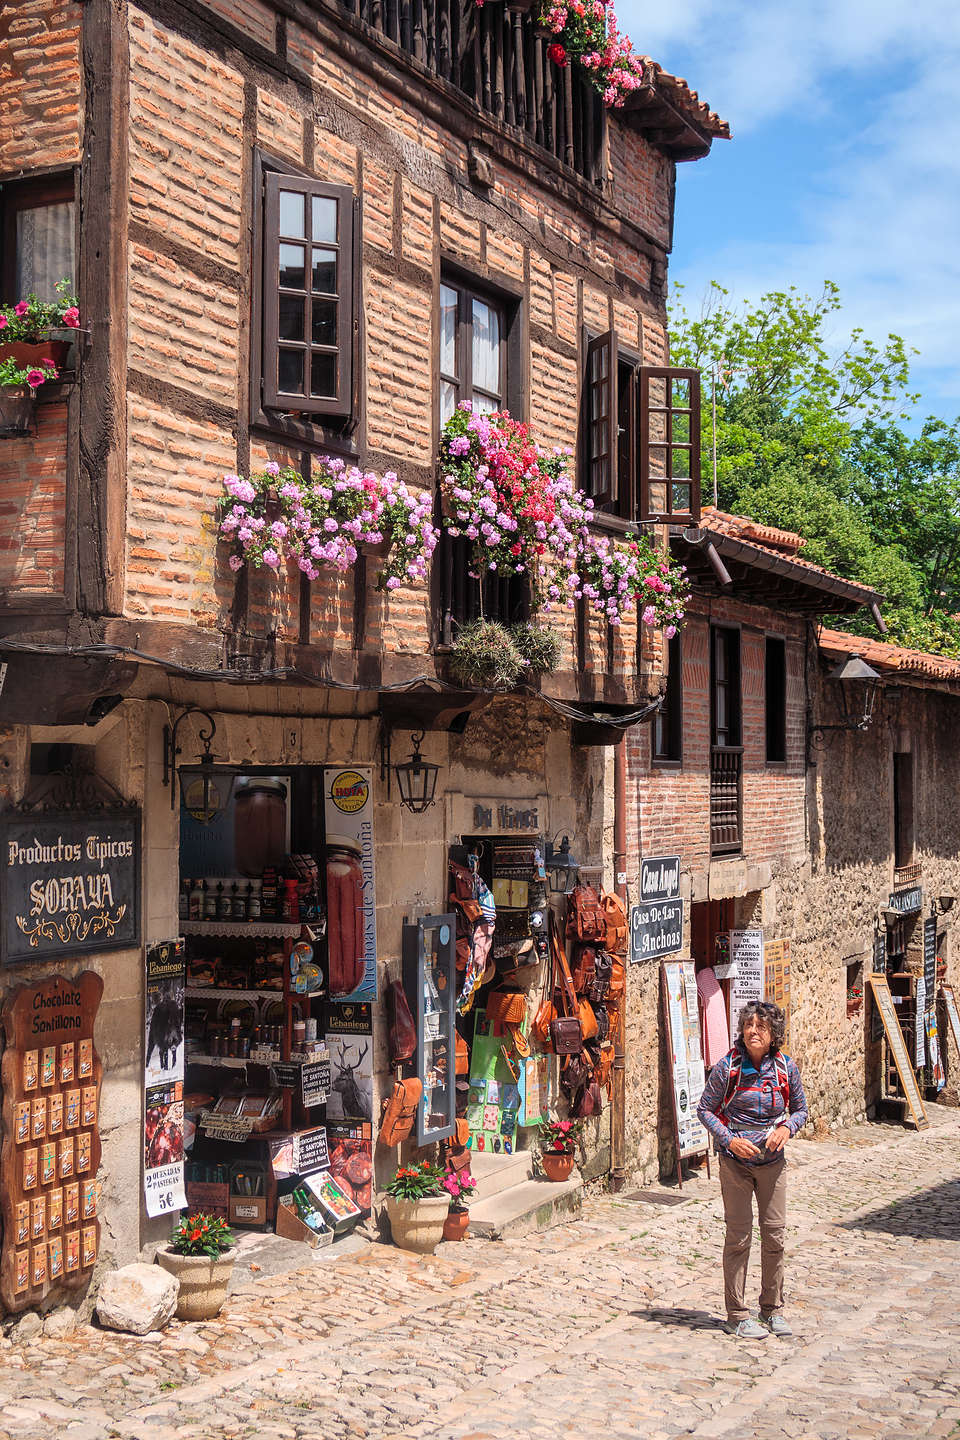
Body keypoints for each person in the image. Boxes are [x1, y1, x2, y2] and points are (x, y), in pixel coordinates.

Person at [696, 1000, 807, 1340]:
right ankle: (737, 1314)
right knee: (739, 1237)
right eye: (748, 1026)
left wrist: (787, 1129)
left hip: (773, 1165)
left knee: (775, 1236)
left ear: (774, 1034)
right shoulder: (727, 1067)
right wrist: (729, 1141)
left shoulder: (785, 1068)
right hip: (736, 1166)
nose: (753, 1031)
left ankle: (772, 1310)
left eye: (761, 1027)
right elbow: (705, 1109)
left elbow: (800, 1110)